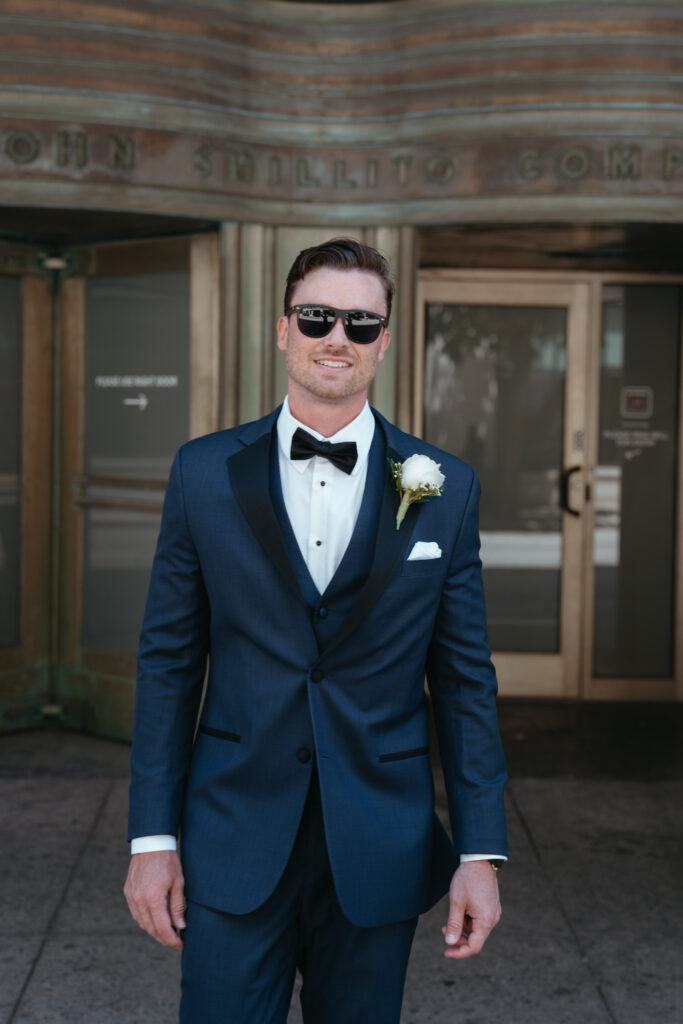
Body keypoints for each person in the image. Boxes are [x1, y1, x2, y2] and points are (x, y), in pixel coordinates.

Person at [124, 238, 508, 1023]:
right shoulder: (202, 472)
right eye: (318, 317)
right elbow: (168, 663)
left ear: (384, 341)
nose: (338, 337)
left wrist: (479, 852)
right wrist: (149, 839)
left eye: (361, 323)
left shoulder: (445, 486)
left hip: (378, 841)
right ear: (283, 329)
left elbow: (465, 680)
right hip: (230, 833)